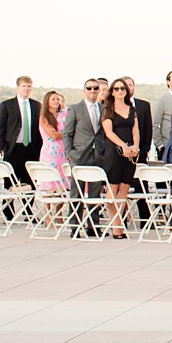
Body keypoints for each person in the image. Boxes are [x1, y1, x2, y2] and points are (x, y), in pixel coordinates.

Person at [62, 78, 106, 235]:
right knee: (77, 192)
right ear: (84, 90)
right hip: (79, 155)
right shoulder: (75, 109)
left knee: (95, 193)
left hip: (98, 154)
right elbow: (67, 133)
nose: (93, 91)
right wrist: (69, 153)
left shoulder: (104, 108)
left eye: (96, 88)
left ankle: (93, 226)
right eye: (89, 88)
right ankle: (74, 226)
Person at [98, 79, 140, 238]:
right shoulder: (107, 109)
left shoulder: (132, 109)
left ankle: (118, 225)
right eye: (117, 89)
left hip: (130, 154)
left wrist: (135, 147)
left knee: (124, 188)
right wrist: (123, 146)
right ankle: (116, 225)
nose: (120, 91)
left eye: (123, 88)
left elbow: (135, 130)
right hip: (113, 152)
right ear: (112, 92)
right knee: (112, 188)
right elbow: (109, 132)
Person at [0, 76, 42, 187]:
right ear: (17, 88)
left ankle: (28, 205)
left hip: (31, 150)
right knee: (10, 185)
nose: (26, 89)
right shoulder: (7, 105)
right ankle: (9, 205)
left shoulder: (36, 106)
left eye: (29, 86)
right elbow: (0, 129)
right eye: (23, 86)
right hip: (13, 149)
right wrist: (3, 148)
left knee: (30, 185)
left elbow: (38, 129)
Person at [36, 90, 69, 227]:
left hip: (63, 152)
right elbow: (53, 135)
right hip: (50, 152)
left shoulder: (64, 114)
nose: (56, 101)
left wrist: (65, 134)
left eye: (58, 99)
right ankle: (48, 215)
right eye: (53, 99)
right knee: (49, 185)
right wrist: (67, 134)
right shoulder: (44, 116)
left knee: (62, 184)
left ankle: (60, 213)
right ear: (47, 102)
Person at [121, 77, 154, 167]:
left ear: (134, 87)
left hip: (140, 154)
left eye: (130, 85)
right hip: (120, 154)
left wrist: (144, 150)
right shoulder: (113, 106)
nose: (128, 88)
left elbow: (148, 129)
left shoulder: (144, 105)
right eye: (125, 85)